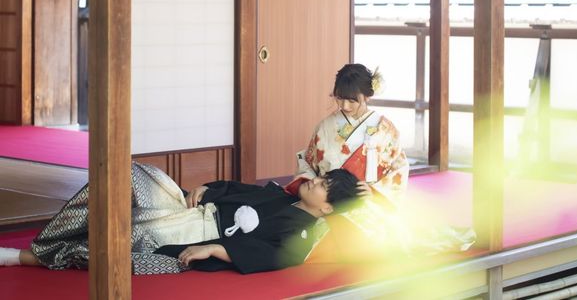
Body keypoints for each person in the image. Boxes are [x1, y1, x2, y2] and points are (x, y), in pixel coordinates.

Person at [0, 162, 359, 275]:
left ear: (327, 208)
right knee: (129, 172)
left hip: (195, 234)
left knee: (124, 239)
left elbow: (275, 256)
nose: (314, 181)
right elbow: (236, 188)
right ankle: (49, 240)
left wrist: (216, 249)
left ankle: (25, 256)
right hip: (188, 206)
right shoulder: (282, 195)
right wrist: (206, 187)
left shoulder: (304, 234)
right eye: (321, 177)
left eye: (323, 185)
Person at [294, 63, 409, 206]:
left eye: (352, 100)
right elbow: (308, 164)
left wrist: (375, 192)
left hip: (367, 204)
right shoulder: (325, 127)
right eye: (340, 98)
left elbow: (399, 170)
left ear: (367, 96)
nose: (344, 106)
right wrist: (316, 190)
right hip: (327, 203)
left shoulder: (386, 130)